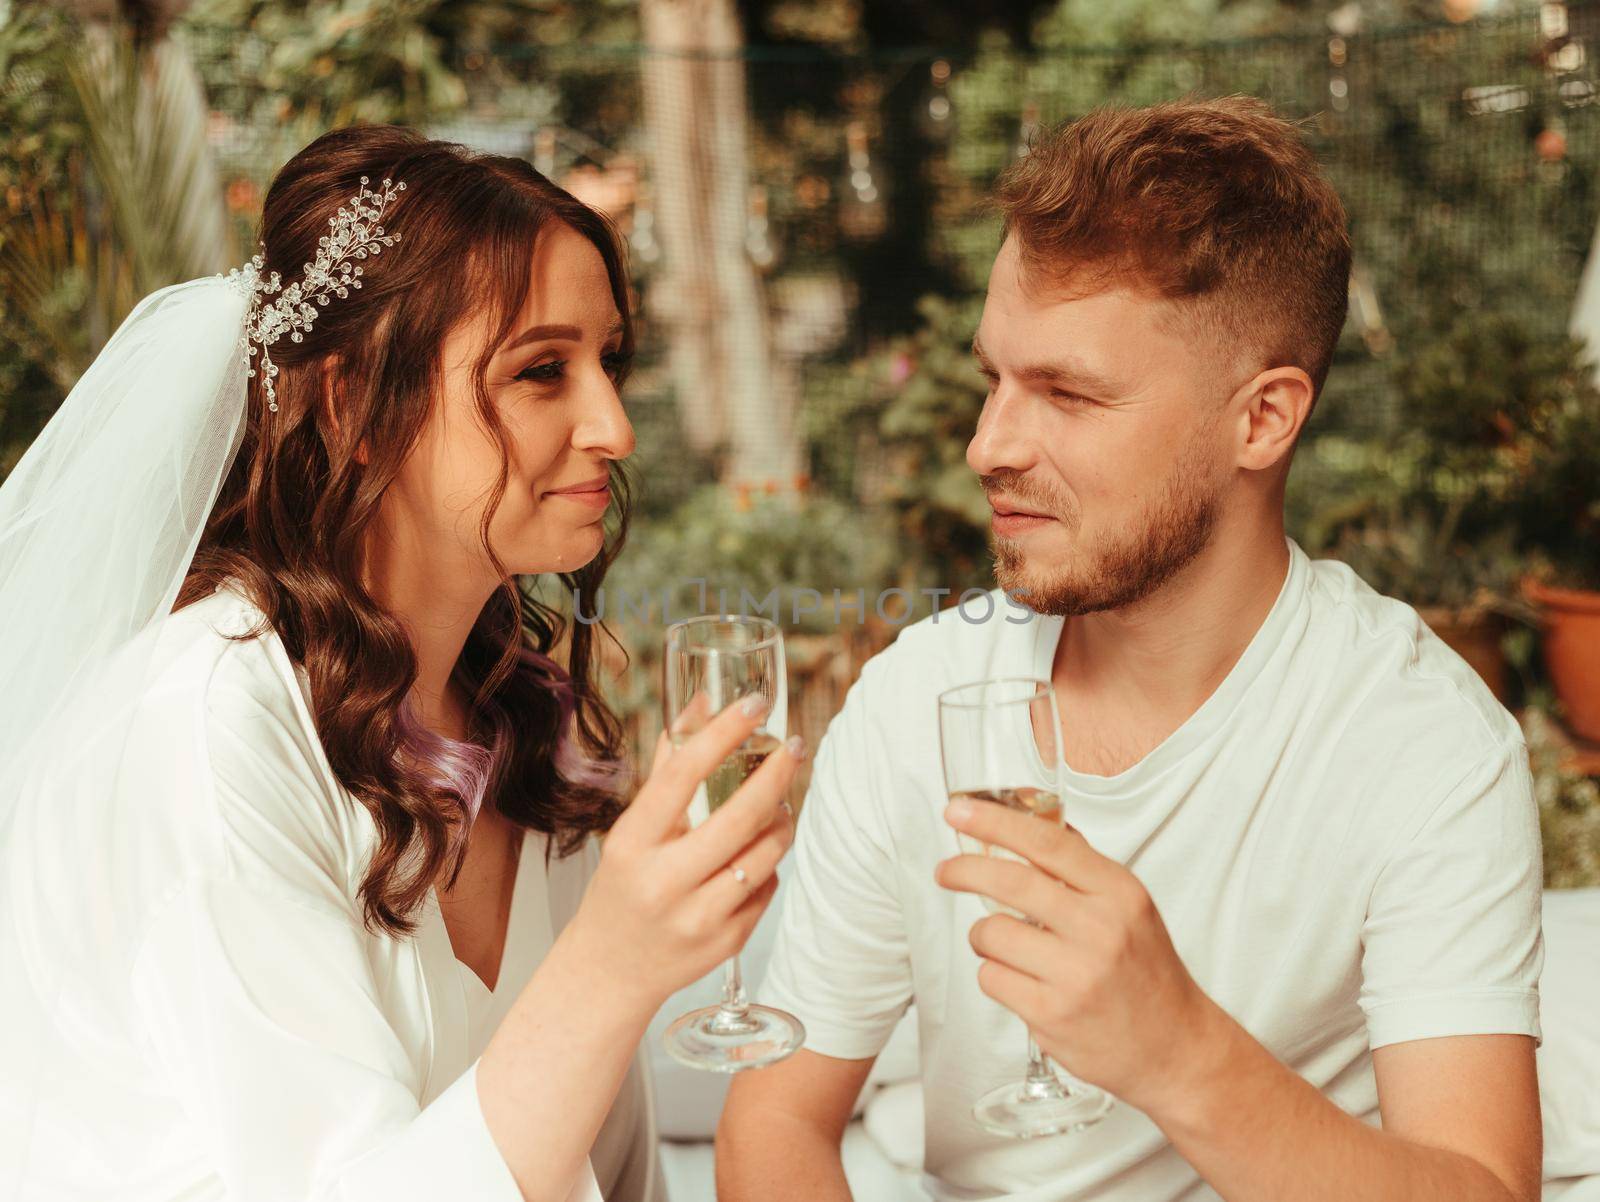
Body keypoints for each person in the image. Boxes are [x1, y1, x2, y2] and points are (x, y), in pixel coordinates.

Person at [718, 96, 1543, 1202]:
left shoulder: (1422, 741)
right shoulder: (918, 698)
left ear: (1262, 419)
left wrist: (1177, 1050)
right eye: (991, 379)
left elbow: (1483, 1185)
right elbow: (774, 1120)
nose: (987, 445)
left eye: (1067, 393)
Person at [0, 124, 804, 1202]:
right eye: (540, 371)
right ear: (350, 406)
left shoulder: (527, 714)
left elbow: (606, 1170)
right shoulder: (206, 727)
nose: (611, 424)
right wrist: (615, 964)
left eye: (608, 360)